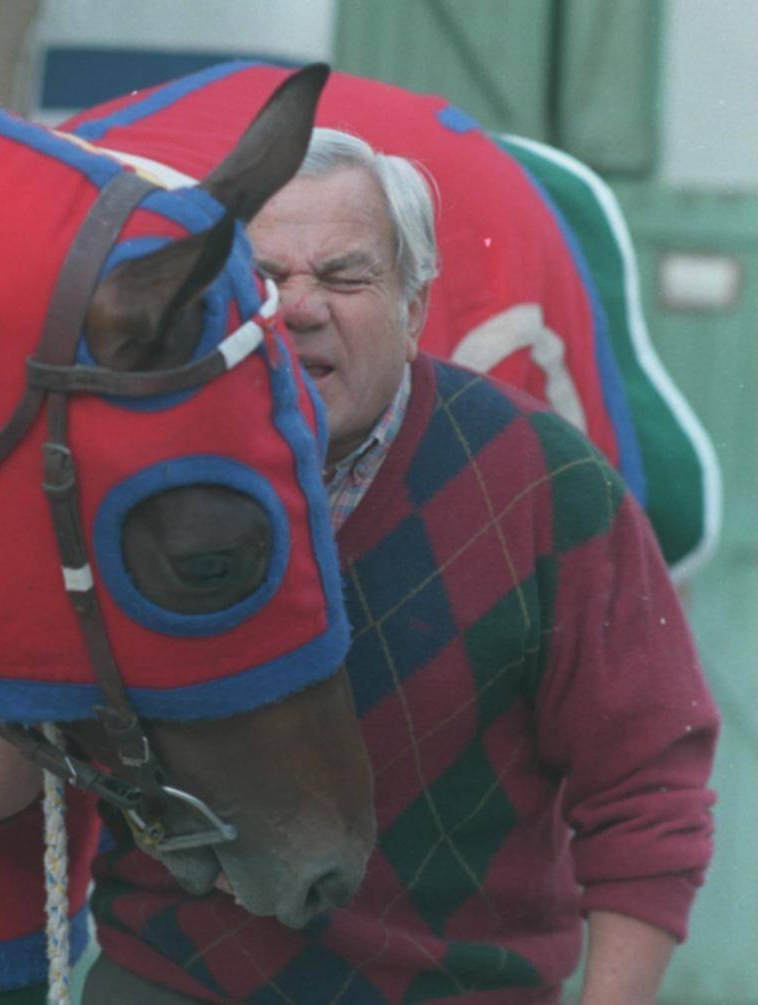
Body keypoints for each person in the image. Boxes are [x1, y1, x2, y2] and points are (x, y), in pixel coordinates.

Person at [79, 128, 720, 1004]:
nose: (299, 307)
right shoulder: (140, 475)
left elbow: (648, 788)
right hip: (170, 980)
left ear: (416, 305)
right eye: (262, 279)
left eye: (343, 276)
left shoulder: (545, 482)